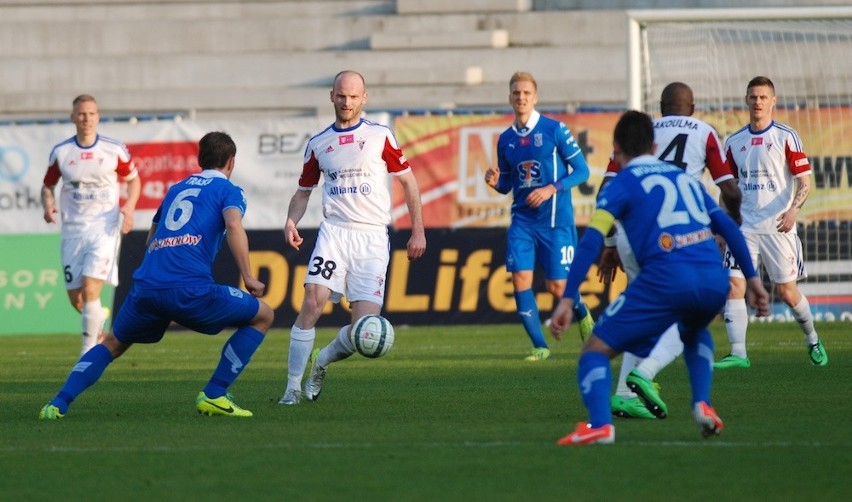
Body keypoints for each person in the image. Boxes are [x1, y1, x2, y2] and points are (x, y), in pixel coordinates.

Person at [549, 110, 769, 445]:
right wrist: (752, 279)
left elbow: (592, 239)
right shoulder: (686, 181)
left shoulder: (620, 183)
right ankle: (702, 405)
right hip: (713, 277)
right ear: (654, 147)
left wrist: (567, 297)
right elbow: (726, 224)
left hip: (665, 277)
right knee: (694, 331)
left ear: (617, 149)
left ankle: (600, 426)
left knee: (594, 351)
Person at [39, 131, 274, 420]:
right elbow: (234, 226)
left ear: (200, 159)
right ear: (231, 162)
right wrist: (248, 275)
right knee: (263, 315)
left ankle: (58, 403)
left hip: (147, 286)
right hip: (190, 289)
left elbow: (153, 234)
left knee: (112, 344)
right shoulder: (229, 190)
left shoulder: (176, 189)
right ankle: (215, 393)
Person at [279, 70, 426, 405]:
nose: (347, 102)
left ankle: (323, 361)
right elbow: (303, 193)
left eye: (353, 96)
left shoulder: (380, 136)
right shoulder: (318, 144)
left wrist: (418, 229)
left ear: (364, 98)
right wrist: (291, 220)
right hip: (334, 232)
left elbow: (409, 182)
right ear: (331, 96)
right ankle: (291, 388)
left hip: (372, 238)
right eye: (341, 96)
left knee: (365, 333)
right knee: (313, 302)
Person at [599, 82, 742, 419]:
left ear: (661, 108)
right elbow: (731, 192)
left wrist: (608, 243)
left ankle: (623, 395)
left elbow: (606, 188)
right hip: (679, 238)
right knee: (690, 313)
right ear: (691, 108)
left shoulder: (643, 132)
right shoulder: (705, 133)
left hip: (632, 233)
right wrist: (727, 226)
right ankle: (644, 373)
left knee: (645, 309)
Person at [715, 76, 829, 369]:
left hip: (778, 226)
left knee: (787, 293)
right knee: (733, 286)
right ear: (746, 100)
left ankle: (813, 339)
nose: (758, 102)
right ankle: (738, 353)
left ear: (773, 101)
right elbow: (727, 187)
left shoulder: (786, 136)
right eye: (753, 97)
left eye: (763, 97)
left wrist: (794, 211)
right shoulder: (735, 141)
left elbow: (805, 181)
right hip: (744, 228)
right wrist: (722, 226)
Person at [484, 71, 594, 362]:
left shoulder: (555, 129)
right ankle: (539, 346)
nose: (521, 97)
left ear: (535, 97)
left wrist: (551, 189)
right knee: (520, 279)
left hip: (555, 220)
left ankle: (583, 314)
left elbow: (582, 171)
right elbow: (509, 183)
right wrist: (496, 182)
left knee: (557, 286)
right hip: (522, 221)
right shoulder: (505, 139)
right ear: (510, 97)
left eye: (526, 93)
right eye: (516, 93)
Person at [41, 95, 141, 356]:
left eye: (91, 114)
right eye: (81, 114)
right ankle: (98, 320)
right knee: (79, 300)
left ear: (98, 117)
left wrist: (129, 208)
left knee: (90, 287)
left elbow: (134, 181)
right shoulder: (61, 152)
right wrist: (48, 204)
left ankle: (87, 353)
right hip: (73, 230)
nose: (86, 118)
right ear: (73, 117)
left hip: (104, 228)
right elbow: (48, 186)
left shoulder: (113, 149)